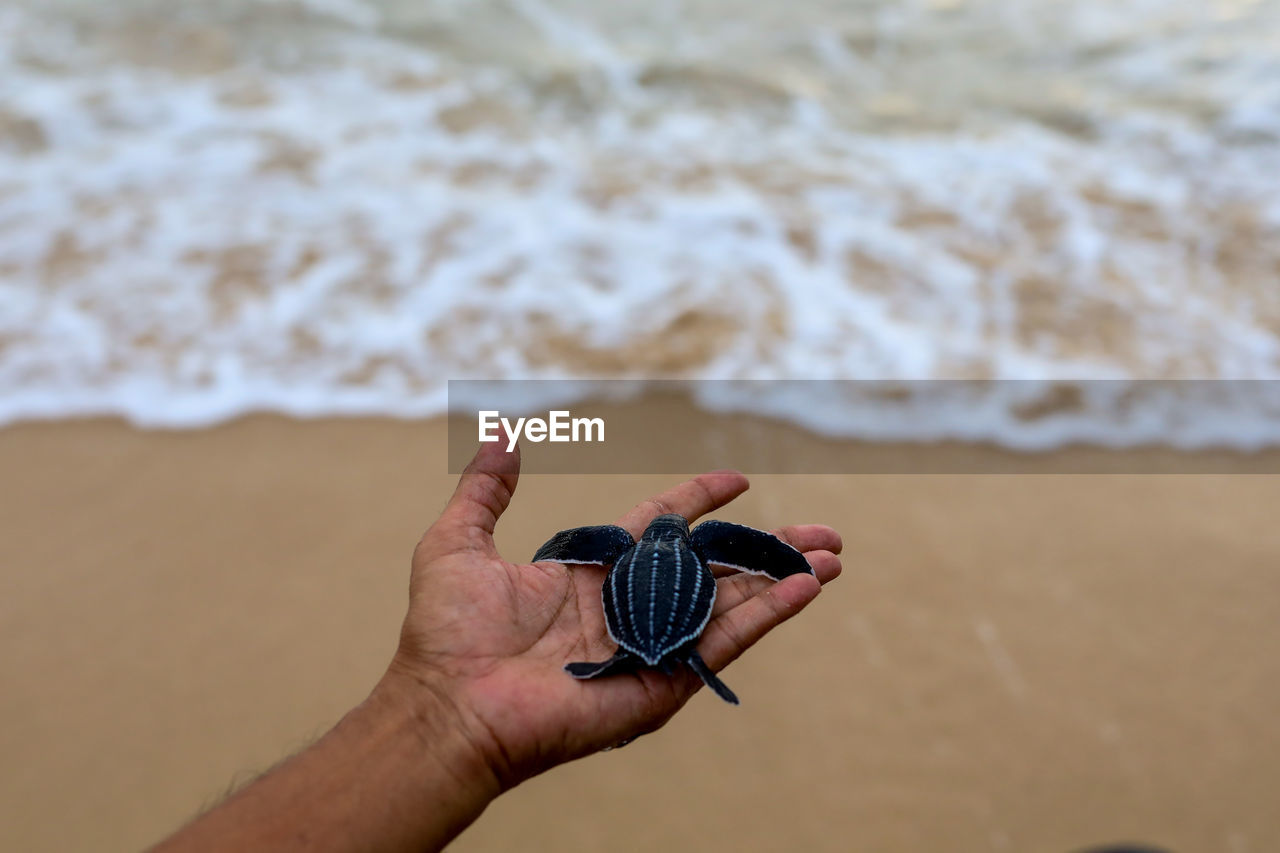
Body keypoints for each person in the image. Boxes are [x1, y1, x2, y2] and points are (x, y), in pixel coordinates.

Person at [151, 439, 843, 852]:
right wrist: (782, 562)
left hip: (632, 625)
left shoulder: (618, 548)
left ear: (639, 538)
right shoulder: (704, 543)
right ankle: (668, 650)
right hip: (684, 619)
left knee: (661, 618)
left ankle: (633, 651)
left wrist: (551, 554)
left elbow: (581, 545)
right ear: (689, 538)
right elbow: (748, 550)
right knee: (752, 576)